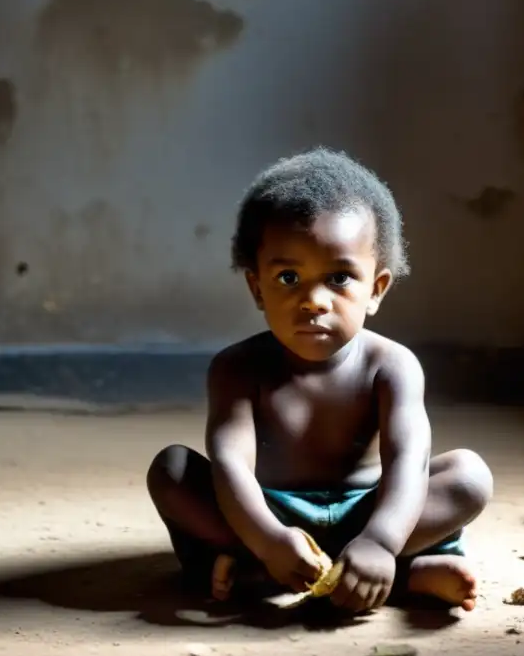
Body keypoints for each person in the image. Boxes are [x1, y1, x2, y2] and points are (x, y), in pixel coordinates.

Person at [147, 147, 493, 613]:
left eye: (338, 277)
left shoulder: (391, 365)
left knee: (469, 476)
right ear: (256, 288)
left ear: (376, 289)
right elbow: (229, 463)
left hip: (370, 510)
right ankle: (388, 577)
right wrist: (268, 538)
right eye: (289, 277)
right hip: (266, 514)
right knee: (171, 470)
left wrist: (381, 540)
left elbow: (409, 459)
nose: (313, 300)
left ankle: (336, 570)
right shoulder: (237, 368)